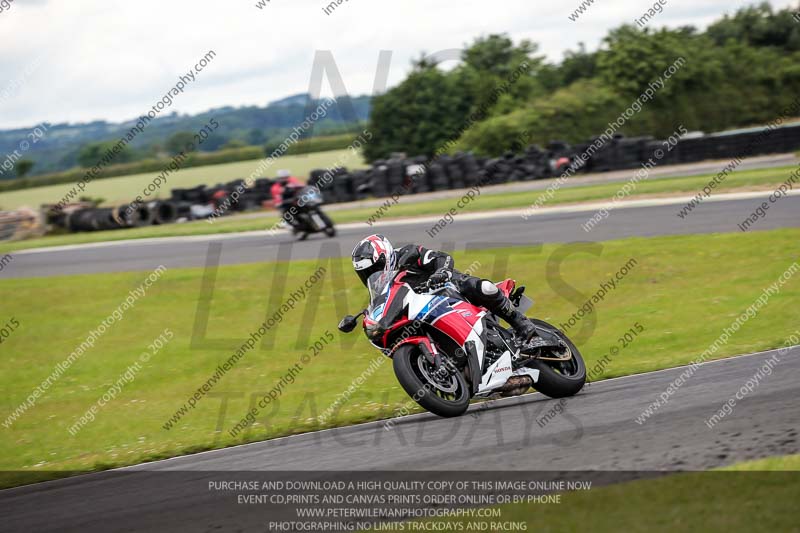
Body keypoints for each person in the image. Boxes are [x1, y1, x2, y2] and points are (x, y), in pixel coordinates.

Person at [351, 234, 537, 342]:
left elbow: (442, 257)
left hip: (449, 287)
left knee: (485, 287)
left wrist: (441, 273)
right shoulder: (382, 291)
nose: (372, 275)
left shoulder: (408, 254)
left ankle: (521, 322)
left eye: (374, 269)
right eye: (366, 273)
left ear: (386, 257)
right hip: (425, 310)